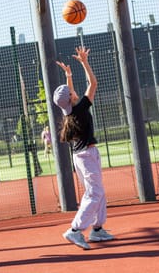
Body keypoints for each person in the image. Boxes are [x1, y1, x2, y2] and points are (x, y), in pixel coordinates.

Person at [53, 46, 114, 250]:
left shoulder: (69, 111)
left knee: (97, 191)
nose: (74, 91)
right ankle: (75, 230)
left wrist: (69, 75)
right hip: (86, 156)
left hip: (83, 155)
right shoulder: (79, 109)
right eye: (71, 91)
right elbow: (93, 83)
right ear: (71, 98)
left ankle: (97, 230)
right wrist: (84, 62)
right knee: (94, 193)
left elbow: (69, 94)